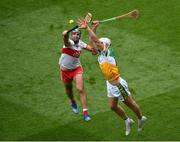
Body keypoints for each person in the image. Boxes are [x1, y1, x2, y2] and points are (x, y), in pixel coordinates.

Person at [77, 19, 147, 135]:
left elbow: (95, 41)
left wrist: (88, 28)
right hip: (110, 83)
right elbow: (93, 41)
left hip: (118, 85)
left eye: (102, 43)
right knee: (112, 106)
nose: (99, 44)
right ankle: (127, 120)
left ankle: (141, 118)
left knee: (130, 104)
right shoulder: (101, 53)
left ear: (106, 45)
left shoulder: (107, 52)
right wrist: (94, 27)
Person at [59, 28, 96, 121]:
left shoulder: (81, 43)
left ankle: (85, 113)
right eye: (74, 34)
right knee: (68, 88)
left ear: (80, 36)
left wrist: (94, 28)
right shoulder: (69, 43)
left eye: (78, 34)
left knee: (80, 89)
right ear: (71, 35)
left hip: (76, 69)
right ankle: (72, 101)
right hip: (65, 71)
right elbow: (65, 40)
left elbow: (91, 48)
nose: (76, 35)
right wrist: (65, 35)